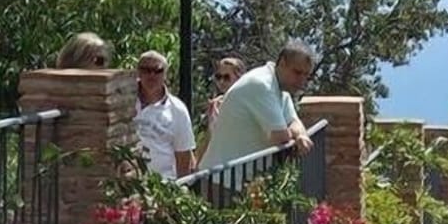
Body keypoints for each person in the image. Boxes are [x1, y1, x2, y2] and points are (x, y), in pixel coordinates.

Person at [199, 40, 315, 177]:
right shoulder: (261, 84)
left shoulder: (281, 89)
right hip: (222, 179)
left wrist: (301, 135)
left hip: (241, 179)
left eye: (306, 75)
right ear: (282, 63)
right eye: (297, 72)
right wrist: (294, 137)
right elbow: (280, 137)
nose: (302, 81)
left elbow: (294, 121)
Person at [134, 51, 196, 180]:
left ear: (165, 74)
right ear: (138, 72)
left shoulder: (177, 109)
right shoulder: (122, 101)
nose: (152, 75)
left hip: (162, 184)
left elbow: (183, 155)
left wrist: (181, 187)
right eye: (146, 70)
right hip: (127, 182)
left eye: (158, 71)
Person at [198, 57, 246, 161]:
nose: (221, 81)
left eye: (226, 77)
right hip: (218, 161)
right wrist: (198, 163)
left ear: (239, 78)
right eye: (218, 77)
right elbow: (209, 137)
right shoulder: (215, 105)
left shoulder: (247, 104)